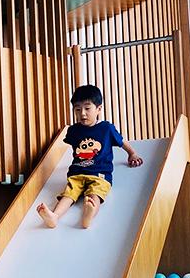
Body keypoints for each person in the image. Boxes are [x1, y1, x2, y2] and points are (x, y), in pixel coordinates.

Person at [37, 85, 144, 229]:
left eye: (87, 108)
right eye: (77, 109)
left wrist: (132, 153)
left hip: (100, 174)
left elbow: (121, 141)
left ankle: (88, 216)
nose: (83, 114)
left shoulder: (106, 128)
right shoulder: (73, 131)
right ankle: (55, 217)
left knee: (95, 194)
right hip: (77, 173)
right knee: (68, 193)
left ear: (98, 109)